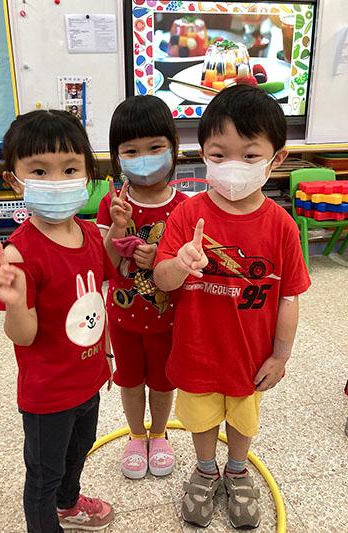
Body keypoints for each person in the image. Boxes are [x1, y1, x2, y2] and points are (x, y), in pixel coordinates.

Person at [154, 85, 311, 529]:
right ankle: (206, 470)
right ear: (202, 154)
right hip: (197, 350)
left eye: (249, 155)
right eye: (219, 155)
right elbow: (162, 279)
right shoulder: (188, 214)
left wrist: (280, 356)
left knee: (243, 418)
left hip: (250, 355)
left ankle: (238, 470)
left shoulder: (281, 225)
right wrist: (181, 263)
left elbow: (289, 296)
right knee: (200, 417)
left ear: (276, 159)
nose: (232, 167)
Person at [0, 110, 114, 533]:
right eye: (40, 171)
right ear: (14, 179)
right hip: (48, 394)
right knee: (44, 475)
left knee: (79, 451)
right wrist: (15, 303)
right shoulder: (19, 252)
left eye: (70, 169)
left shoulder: (91, 235)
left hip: (88, 378)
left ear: (88, 174)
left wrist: (106, 355)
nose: (57, 181)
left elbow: (96, 302)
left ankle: (68, 505)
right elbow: (23, 336)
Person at [97, 95, 187, 480]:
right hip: (123, 318)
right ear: (117, 157)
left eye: (154, 147)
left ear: (173, 147)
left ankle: (160, 434)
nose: (144, 158)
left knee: (163, 384)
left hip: (169, 319)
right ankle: (136, 436)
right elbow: (103, 264)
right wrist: (117, 228)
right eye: (131, 151)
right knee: (130, 382)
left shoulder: (185, 206)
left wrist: (163, 259)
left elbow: (190, 267)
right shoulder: (113, 203)